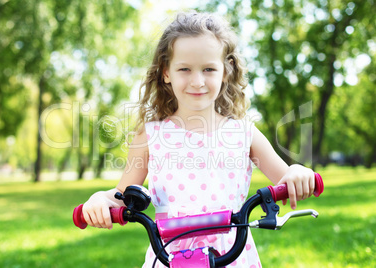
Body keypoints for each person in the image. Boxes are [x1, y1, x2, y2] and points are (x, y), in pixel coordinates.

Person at [82, 11, 315, 267]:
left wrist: (297, 172)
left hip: (233, 254)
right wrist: (100, 200)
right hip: (170, 255)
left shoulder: (244, 133)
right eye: (184, 69)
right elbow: (122, 195)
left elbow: (285, 180)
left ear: (225, 71)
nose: (197, 81)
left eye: (208, 69)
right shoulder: (151, 136)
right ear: (166, 72)